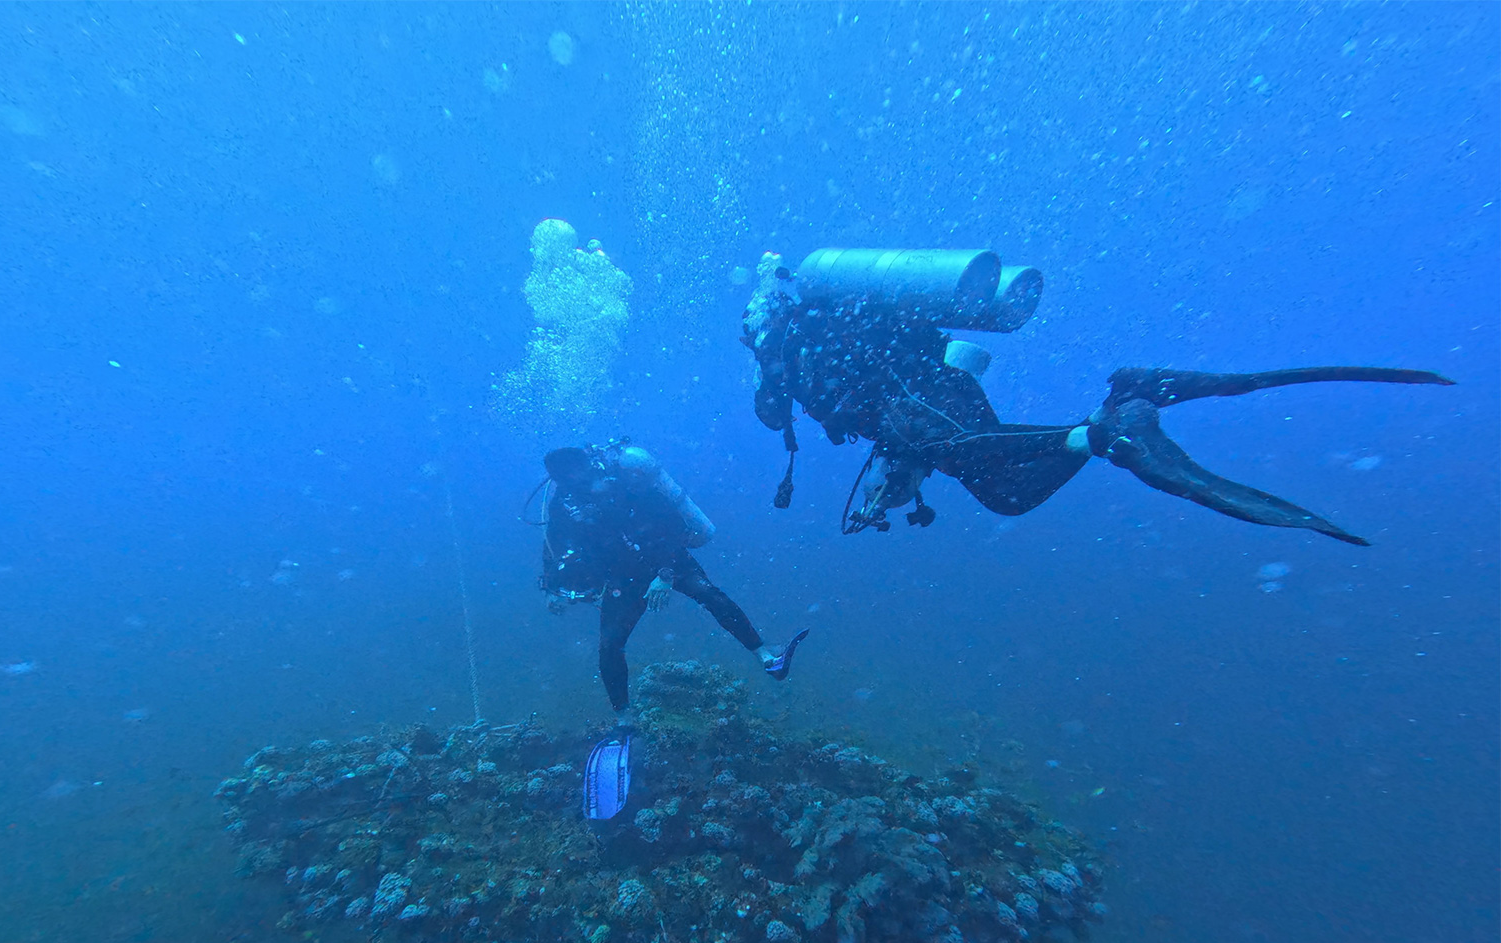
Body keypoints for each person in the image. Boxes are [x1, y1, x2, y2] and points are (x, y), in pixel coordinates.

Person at [743, 250, 1454, 545]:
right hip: (933, 388)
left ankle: (1110, 425)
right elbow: (896, 401)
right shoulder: (817, 333)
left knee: (980, 469)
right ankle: (1107, 420)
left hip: (921, 398)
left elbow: (778, 414)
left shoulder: (784, 350)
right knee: (1003, 489)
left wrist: (769, 374)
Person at [539, 439, 807, 722]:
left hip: (668, 558)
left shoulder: (625, 481)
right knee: (610, 644)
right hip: (623, 576)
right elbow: (553, 543)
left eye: (576, 471)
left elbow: (672, 525)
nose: (574, 480)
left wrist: (665, 574)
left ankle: (765, 656)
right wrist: (550, 588)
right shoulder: (564, 504)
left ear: (586, 464)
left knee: (711, 596)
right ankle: (624, 719)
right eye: (564, 477)